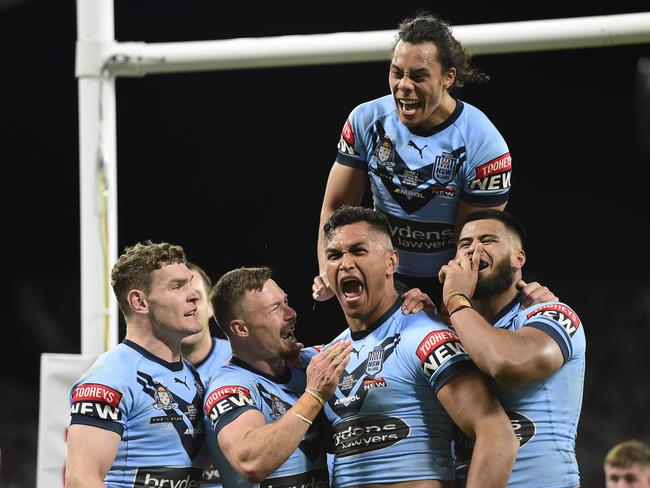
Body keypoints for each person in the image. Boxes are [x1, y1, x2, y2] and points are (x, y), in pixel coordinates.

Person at [314, 11, 512, 307]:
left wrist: (449, 305)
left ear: (448, 78)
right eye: (397, 73)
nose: (404, 86)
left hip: (453, 278)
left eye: (418, 76)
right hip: (383, 274)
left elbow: (472, 244)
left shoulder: (483, 144)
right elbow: (335, 208)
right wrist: (329, 271)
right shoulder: (366, 120)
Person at [321, 205, 518, 488]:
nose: (345, 263)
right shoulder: (327, 355)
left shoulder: (426, 337)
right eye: (335, 255)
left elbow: (497, 435)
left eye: (358, 251)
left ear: (391, 263)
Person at [438, 209, 586, 487]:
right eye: (464, 244)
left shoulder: (552, 314)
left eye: (488, 240)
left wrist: (456, 299)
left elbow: (508, 364)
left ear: (519, 258)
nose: (474, 249)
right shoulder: (444, 331)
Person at [65, 241, 207, 487]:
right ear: (139, 302)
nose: (194, 295)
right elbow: (81, 479)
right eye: (177, 287)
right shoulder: (110, 376)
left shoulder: (188, 372)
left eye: (191, 283)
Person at [204, 266, 353, 487]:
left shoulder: (307, 363)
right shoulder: (230, 386)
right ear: (241, 328)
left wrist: (407, 308)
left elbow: (372, 338)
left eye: (285, 301)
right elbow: (251, 462)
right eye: (275, 308)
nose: (291, 312)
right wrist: (313, 396)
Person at [182, 262, 232, 487]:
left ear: (212, 306)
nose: (189, 308)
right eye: (180, 298)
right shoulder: (141, 373)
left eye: (195, 298)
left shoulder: (244, 359)